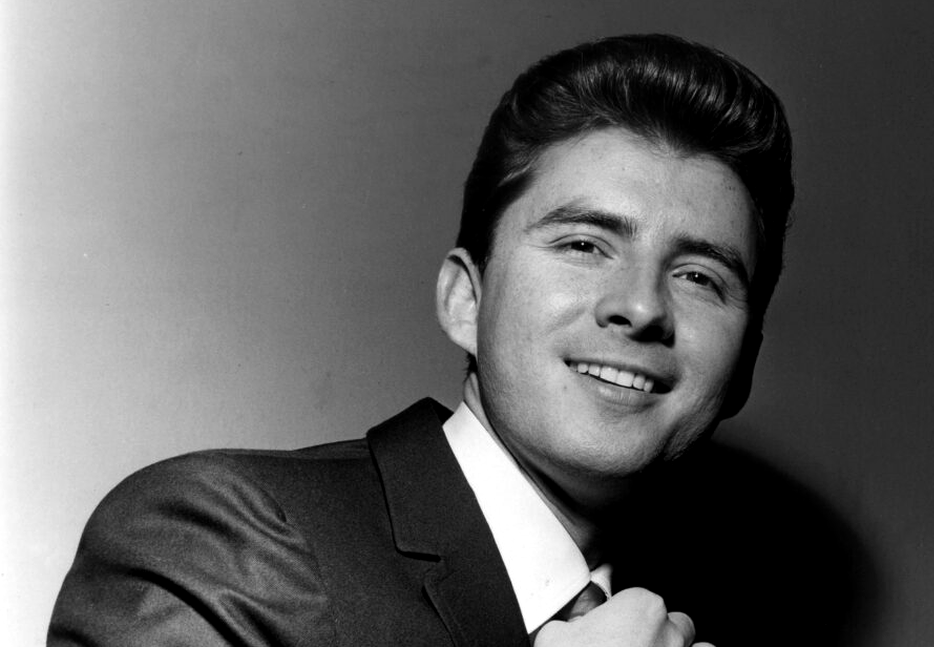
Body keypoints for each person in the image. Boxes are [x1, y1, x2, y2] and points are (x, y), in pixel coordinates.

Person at [48, 34, 803, 647]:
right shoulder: (223, 543)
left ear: (743, 367)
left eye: (700, 277)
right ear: (464, 299)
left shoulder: (702, 620)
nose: (641, 307)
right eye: (583, 244)